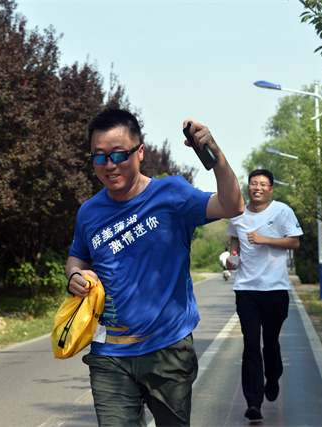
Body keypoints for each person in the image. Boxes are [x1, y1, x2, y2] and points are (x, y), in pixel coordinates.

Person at [66, 108, 244, 426]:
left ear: (140, 151)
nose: (109, 165)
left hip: (168, 348)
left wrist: (215, 154)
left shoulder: (172, 194)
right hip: (109, 353)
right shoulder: (89, 212)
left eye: (119, 154)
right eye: (99, 157)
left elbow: (233, 205)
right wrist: (75, 275)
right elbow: (77, 256)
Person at [226, 169, 303, 421]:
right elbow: (234, 242)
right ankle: (253, 402)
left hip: (275, 289)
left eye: (262, 184)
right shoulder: (238, 214)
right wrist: (232, 259)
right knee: (250, 344)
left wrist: (264, 239)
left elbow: (294, 242)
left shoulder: (282, 211)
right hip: (246, 289)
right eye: (253, 183)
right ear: (248, 187)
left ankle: (273, 377)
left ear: (270, 189)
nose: (257, 187)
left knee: (270, 342)